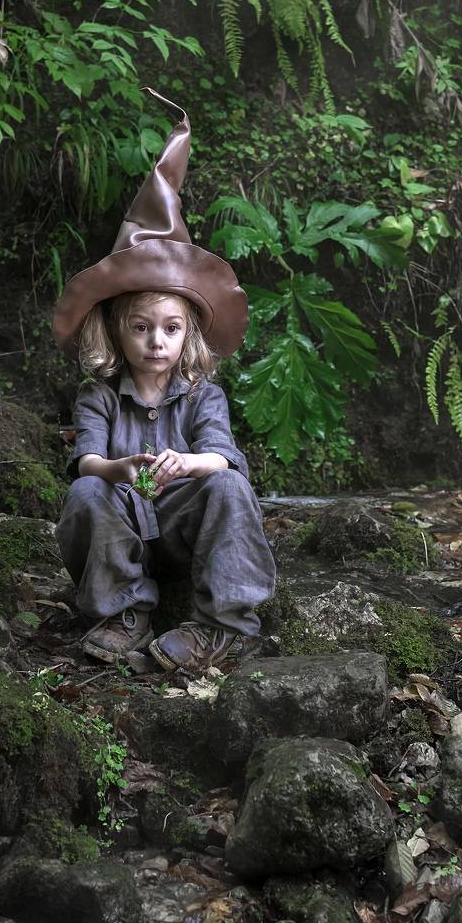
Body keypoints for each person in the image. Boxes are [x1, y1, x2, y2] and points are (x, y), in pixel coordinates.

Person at [52, 90, 276, 676]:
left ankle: (222, 625)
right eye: (141, 327)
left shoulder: (203, 395)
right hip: (121, 532)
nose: (157, 341)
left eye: (171, 329)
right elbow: (85, 462)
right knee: (85, 493)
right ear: (114, 330)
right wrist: (117, 469)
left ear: (188, 334)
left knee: (229, 487)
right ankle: (126, 612)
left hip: (182, 531)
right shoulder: (99, 395)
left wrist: (190, 463)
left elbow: (223, 458)